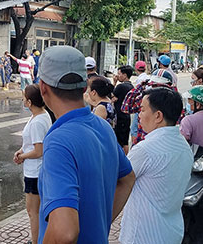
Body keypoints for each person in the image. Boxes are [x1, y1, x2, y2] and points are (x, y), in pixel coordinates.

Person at [36, 46, 135, 243]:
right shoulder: (102, 126)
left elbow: (65, 233)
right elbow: (127, 179)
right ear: (84, 88)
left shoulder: (58, 141)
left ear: (43, 87)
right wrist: (100, 224)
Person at [119, 88, 193, 244]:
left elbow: (118, 180)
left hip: (143, 234)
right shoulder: (184, 146)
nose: (139, 115)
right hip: (171, 232)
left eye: (142, 110)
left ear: (158, 116)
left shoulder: (145, 149)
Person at [13, 84, 52, 244]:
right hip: (36, 169)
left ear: (29, 102)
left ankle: (35, 241)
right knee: (37, 210)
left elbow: (38, 150)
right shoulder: (40, 115)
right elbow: (32, 143)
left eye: (24, 97)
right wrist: (21, 150)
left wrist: (22, 156)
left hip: (35, 172)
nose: (22, 100)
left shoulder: (37, 122)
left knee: (32, 211)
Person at [122, 69, 177, 146]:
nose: (155, 89)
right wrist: (141, 86)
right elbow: (126, 108)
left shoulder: (174, 102)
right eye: (153, 85)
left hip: (159, 144)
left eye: (158, 86)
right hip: (142, 141)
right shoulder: (146, 99)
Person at [113, 65, 134, 153]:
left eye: (119, 74)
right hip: (126, 116)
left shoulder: (120, 87)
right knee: (125, 141)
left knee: (118, 141)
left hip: (119, 116)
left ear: (125, 75)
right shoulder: (131, 86)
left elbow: (111, 96)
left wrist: (114, 83)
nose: (118, 76)